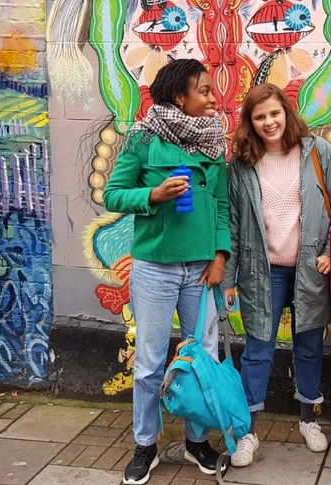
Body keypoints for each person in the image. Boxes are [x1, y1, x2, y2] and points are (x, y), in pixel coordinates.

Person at [103, 59, 231, 485]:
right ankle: (145, 444)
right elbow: (114, 194)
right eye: (205, 91)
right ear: (180, 97)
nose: (214, 98)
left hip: (201, 269)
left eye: (212, 91)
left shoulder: (215, 144)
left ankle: (196, 441)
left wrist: (219, 258)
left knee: (201, 358)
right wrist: (153, 194)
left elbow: (223, 207)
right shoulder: (143, 139)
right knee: (150, 362)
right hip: (155, 269)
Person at [223, 83, 331, 467]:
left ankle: (308, 420)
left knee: (310, 348)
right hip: (261, 273)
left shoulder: (318, 153)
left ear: (287, 113)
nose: (269, 122)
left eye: (274, 114)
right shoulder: (243, 163)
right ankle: (247, 430)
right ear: (250, 121)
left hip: (310, 270)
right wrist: (229, 277)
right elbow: (232, 223)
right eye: (260, 116)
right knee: (258, 351)